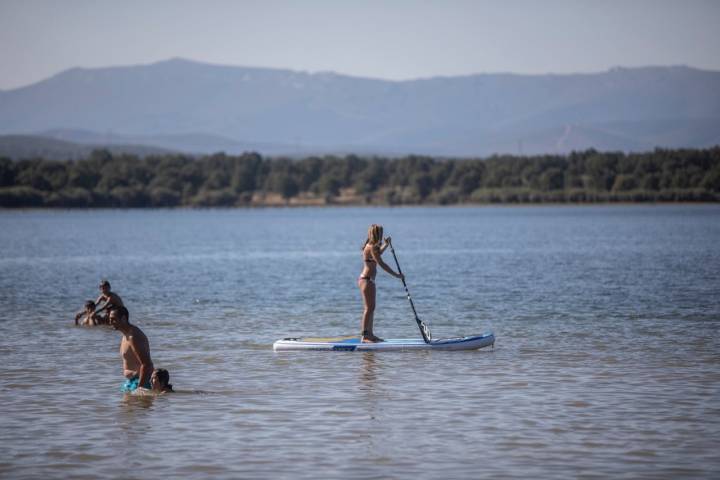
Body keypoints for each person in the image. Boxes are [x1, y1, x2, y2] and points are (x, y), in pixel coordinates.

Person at [358, 224, 403, 343]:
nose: (381, 236)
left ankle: (370, 334)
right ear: (375, 234)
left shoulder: (372, 246)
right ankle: (365, 336)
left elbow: (378, 254)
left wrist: (386, 245)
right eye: (380, 233)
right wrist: (397, 275)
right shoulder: (371, 246)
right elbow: (381, 263)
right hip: (366, 280)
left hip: (369, 280)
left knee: (372, 308)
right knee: (368, 308)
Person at [108, 306, 154, 393]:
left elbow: (147, 364)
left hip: (140, 382)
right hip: (131, 382)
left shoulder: (134, 336)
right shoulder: (125, 335)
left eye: (113, 319)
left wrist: (139, 388)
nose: (110, 322)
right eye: (110, 319)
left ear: (124, 318)